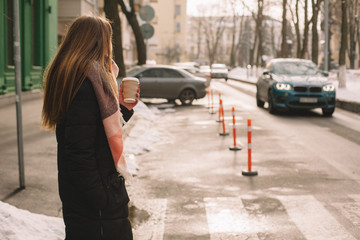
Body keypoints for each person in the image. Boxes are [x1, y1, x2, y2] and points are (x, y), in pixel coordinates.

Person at [41, 15, 139, 240]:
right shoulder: (85, 82)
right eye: (107, 39)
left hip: (89, 200)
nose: (109, 47)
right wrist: (102, 198)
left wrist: (123, 108)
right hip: (95, 207)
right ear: (96, 41)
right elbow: (78, 151)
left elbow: (92, 131)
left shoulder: (81, 77)